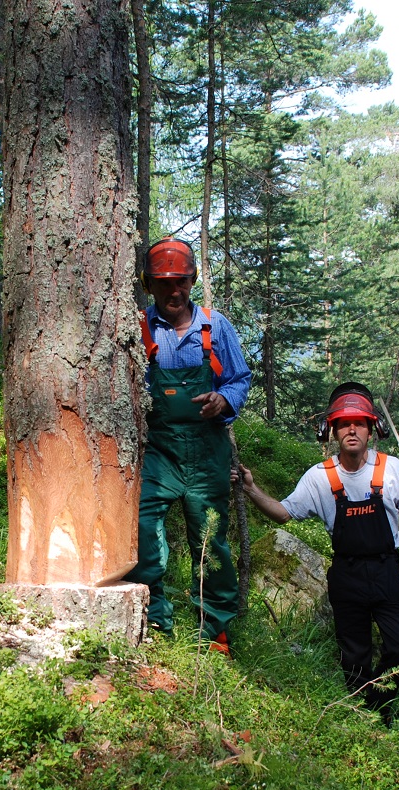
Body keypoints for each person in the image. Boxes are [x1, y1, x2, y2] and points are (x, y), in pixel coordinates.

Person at [236, 382, 399, 713]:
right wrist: (251, 489)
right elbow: (282, 513)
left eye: (359, 423)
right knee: (354, 657)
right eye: (343, 424)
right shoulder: (319, 477)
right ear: (332, 430)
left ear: (372, 428)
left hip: (386, 572)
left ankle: (378, 705)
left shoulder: (391, 469)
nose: (352, 430)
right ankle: (361, 717)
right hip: (347, 575)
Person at [127, 237, 252, 656]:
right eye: (163, 284)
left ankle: (213, 629)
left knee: (210, 539)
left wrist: (224, 400)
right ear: (149, 285)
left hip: (207, 450)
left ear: (193, 280)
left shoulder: (215, 326)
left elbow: (240, 378)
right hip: (158, 451)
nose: (173, 291)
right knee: (143, 529)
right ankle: (154, 616)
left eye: (180, 282)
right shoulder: (138, 327)